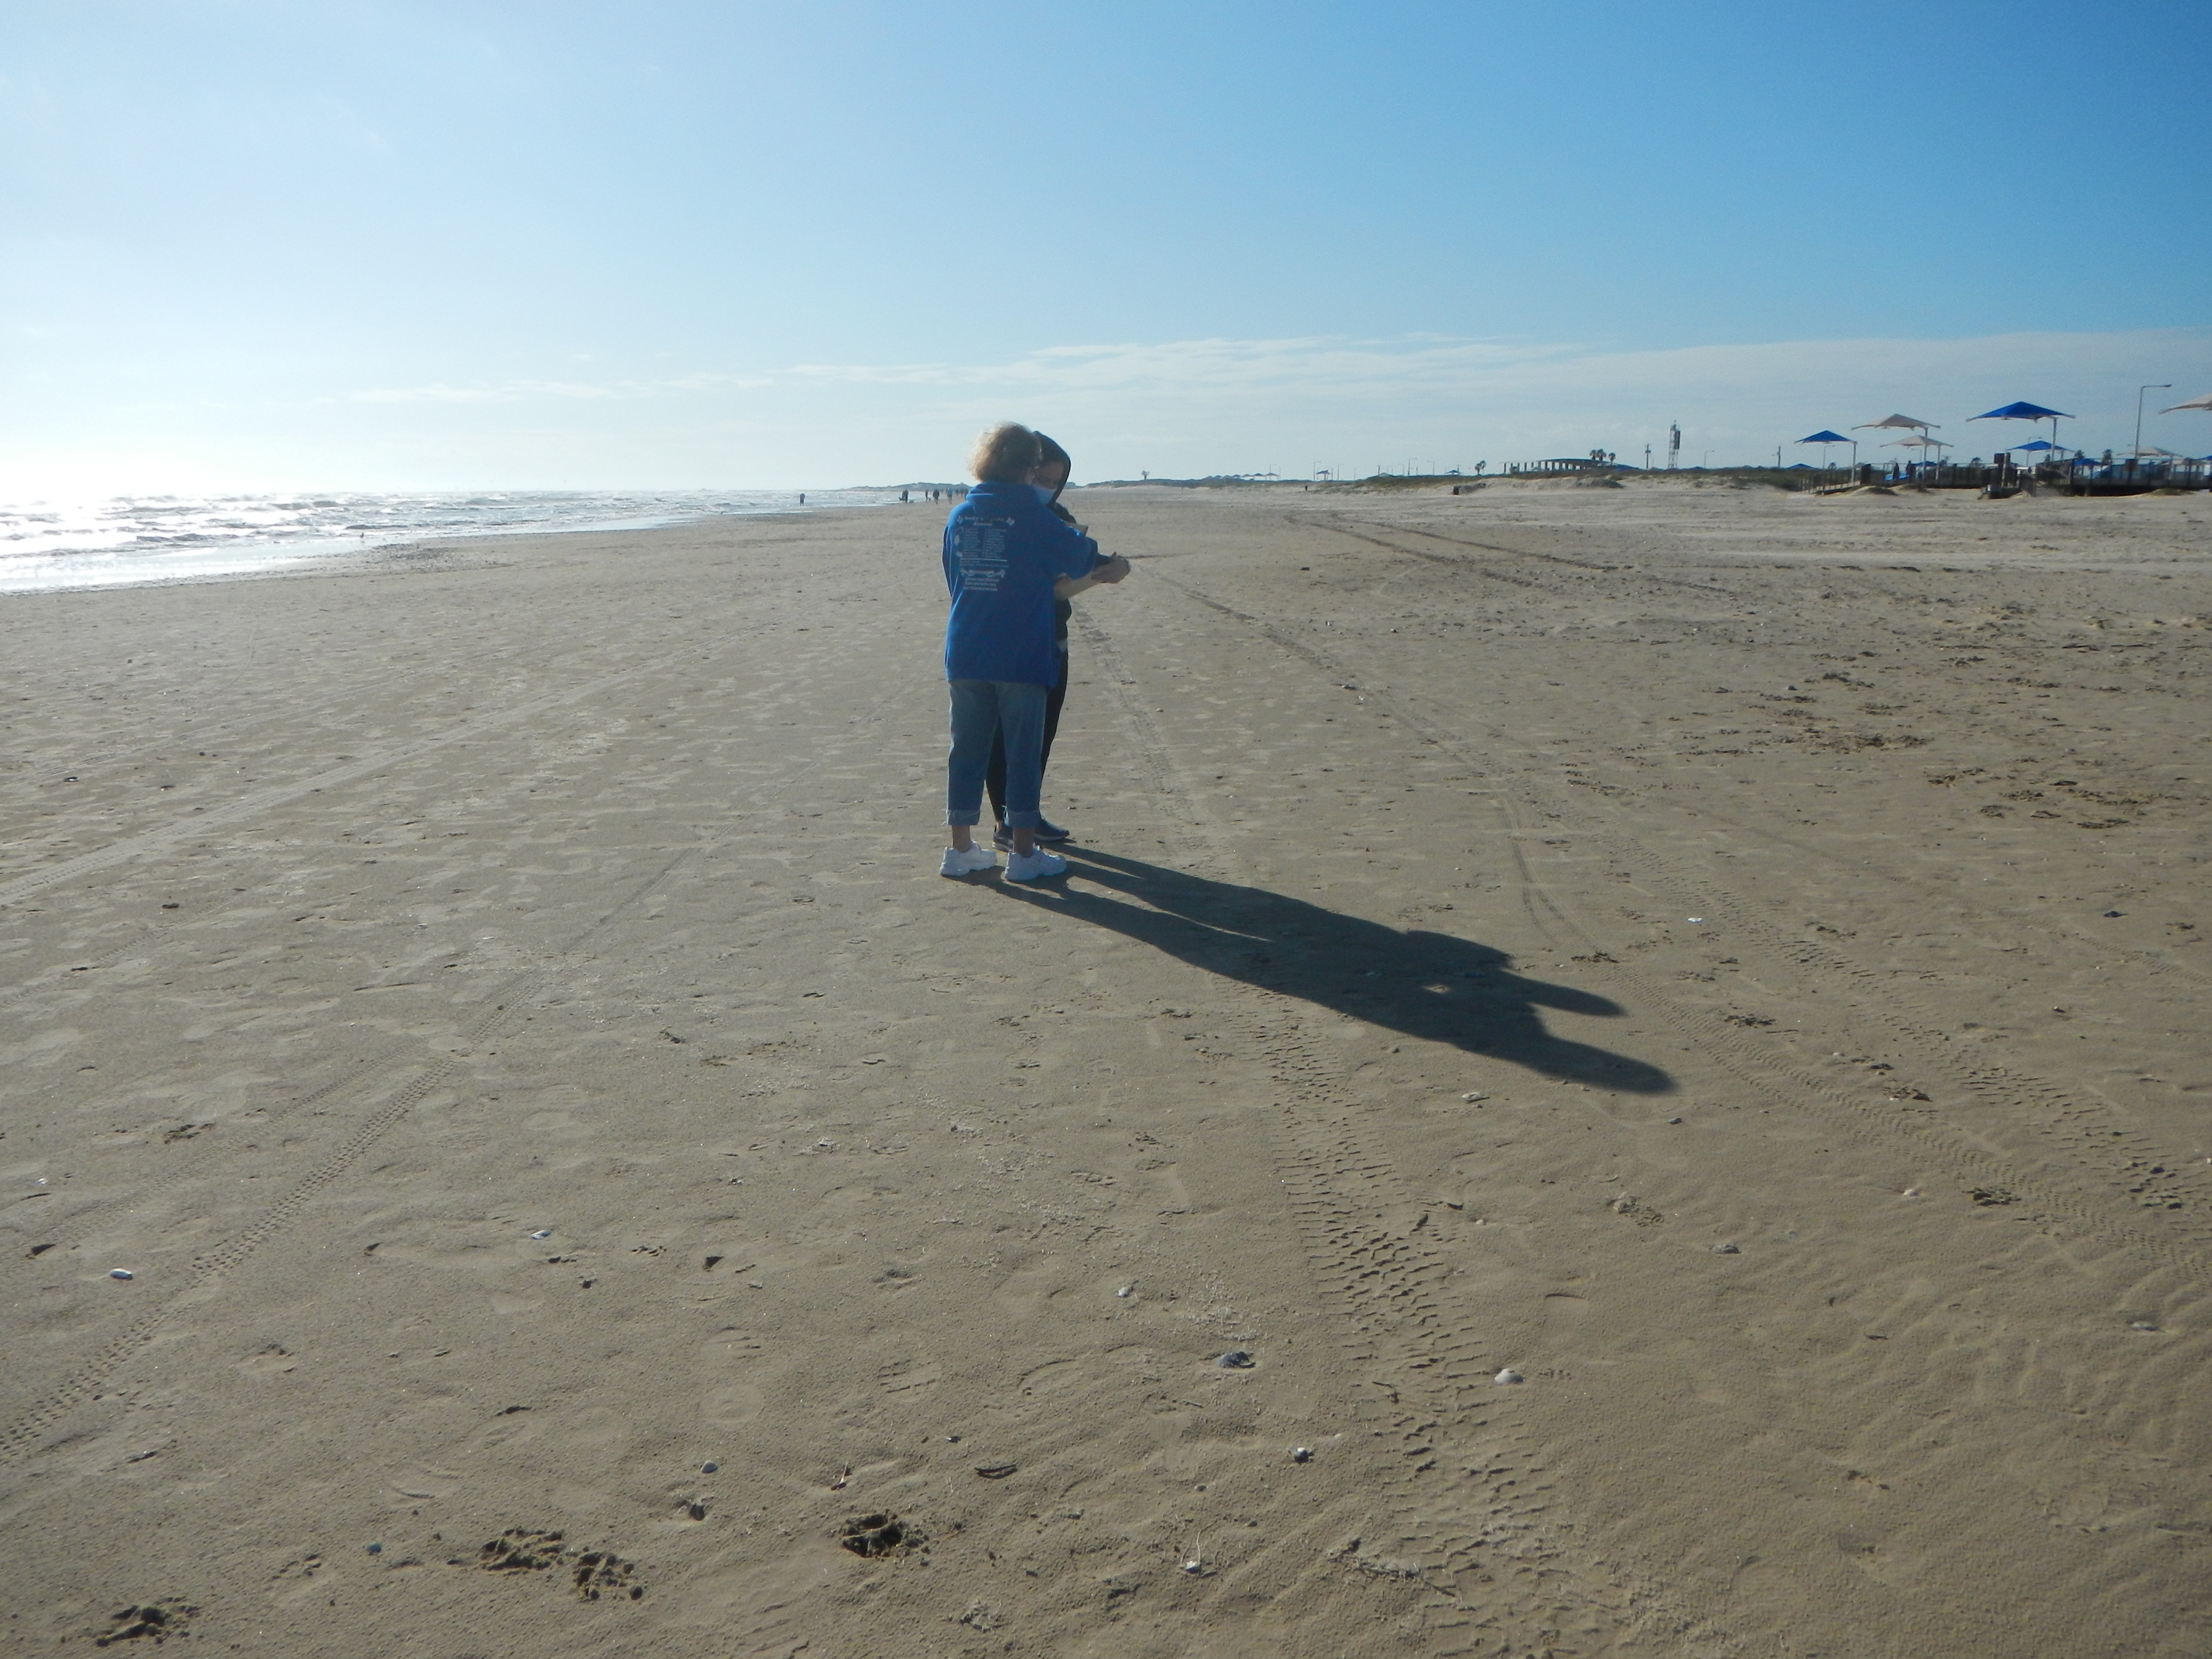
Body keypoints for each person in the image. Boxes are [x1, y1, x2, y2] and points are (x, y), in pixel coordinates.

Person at [940, 423, 1129, 881]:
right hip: (1020, 650)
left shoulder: (961, 514)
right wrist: (1111, 567)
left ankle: (960, 847)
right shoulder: (1033, 515)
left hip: (966, 647)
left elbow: (954, 577)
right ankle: (1023, 853)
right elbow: (1084, 556)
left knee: (966, 750)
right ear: (1026, 468)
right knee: (1023, 752)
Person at [983, 431, 1100, 846]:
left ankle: (1025, 815)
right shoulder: (991, 513)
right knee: (1003, 737)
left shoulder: (1056, 515)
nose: (1047, 489)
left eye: (1055, 482)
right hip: (1009, 641)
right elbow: (1047, 586)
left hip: (1052, 636)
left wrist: (1090, 573)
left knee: (1041, 735)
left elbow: (1061, 582)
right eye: (1042, 478)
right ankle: (1006, 823)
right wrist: (1096, 574)